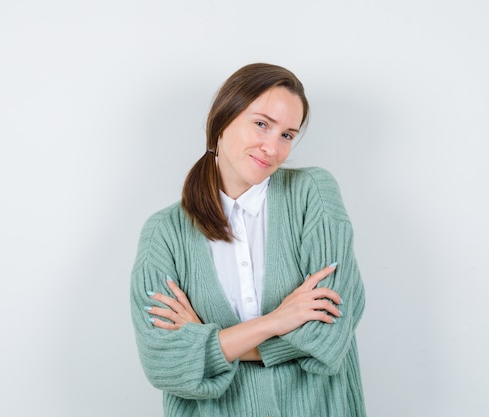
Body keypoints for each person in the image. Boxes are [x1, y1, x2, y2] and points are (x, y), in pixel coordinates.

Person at [130, 63, 366, 417]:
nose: (272, 147)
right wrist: (277, 321)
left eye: (287, 135)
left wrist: (208, 344)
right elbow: (165, 362)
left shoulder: (313, 193)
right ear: (221, 121)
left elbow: (329, 334)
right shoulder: (164, 233)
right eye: (261, 124)